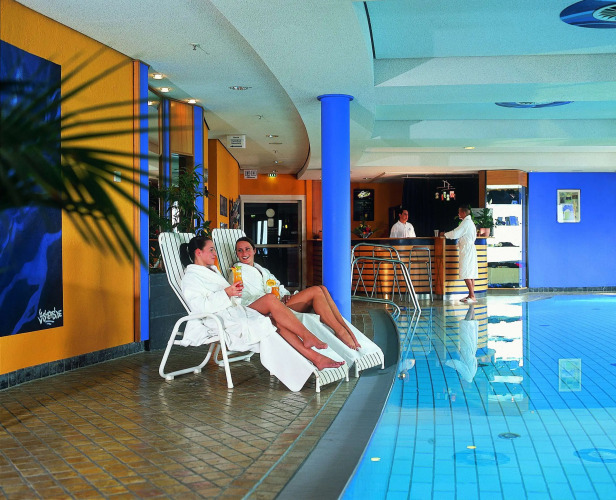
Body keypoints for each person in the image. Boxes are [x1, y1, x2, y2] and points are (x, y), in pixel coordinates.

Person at [179, 236, 344, 370]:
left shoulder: (211, 272)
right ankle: (313, 348)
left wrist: (232, 293)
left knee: (272, 304)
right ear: (199, 252)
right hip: (220, 319)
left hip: (234, 310)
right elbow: (200, 307)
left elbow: (230, 298)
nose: (215, 253)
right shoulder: (191, 277)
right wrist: (227, 293)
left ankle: (315, 354)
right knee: (271, 310)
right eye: (211, 249)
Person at [233, 237, 361, 350]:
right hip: (271, 309)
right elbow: (243, 299)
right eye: (240, 250)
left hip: (279, 301)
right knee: (316, 291)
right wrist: (274, 300)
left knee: (322, 288)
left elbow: (277, 285)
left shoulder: (262, 270)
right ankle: (341, 331)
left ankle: (344, 327)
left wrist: (285, 295)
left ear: (254, 251)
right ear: (237, 254)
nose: (244, 253)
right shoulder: (236, 273)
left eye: (247, 249)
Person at [440, 205, 478, 303]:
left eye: (459, 212)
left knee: (466, 272)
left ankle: (472, 296)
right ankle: (471, 295)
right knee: (470, 273)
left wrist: (445, 234)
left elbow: (455, 233)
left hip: (467, 250)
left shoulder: (466, 223)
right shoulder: (469, 222)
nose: (458, 214)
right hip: (469, 249)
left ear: (463, 213)